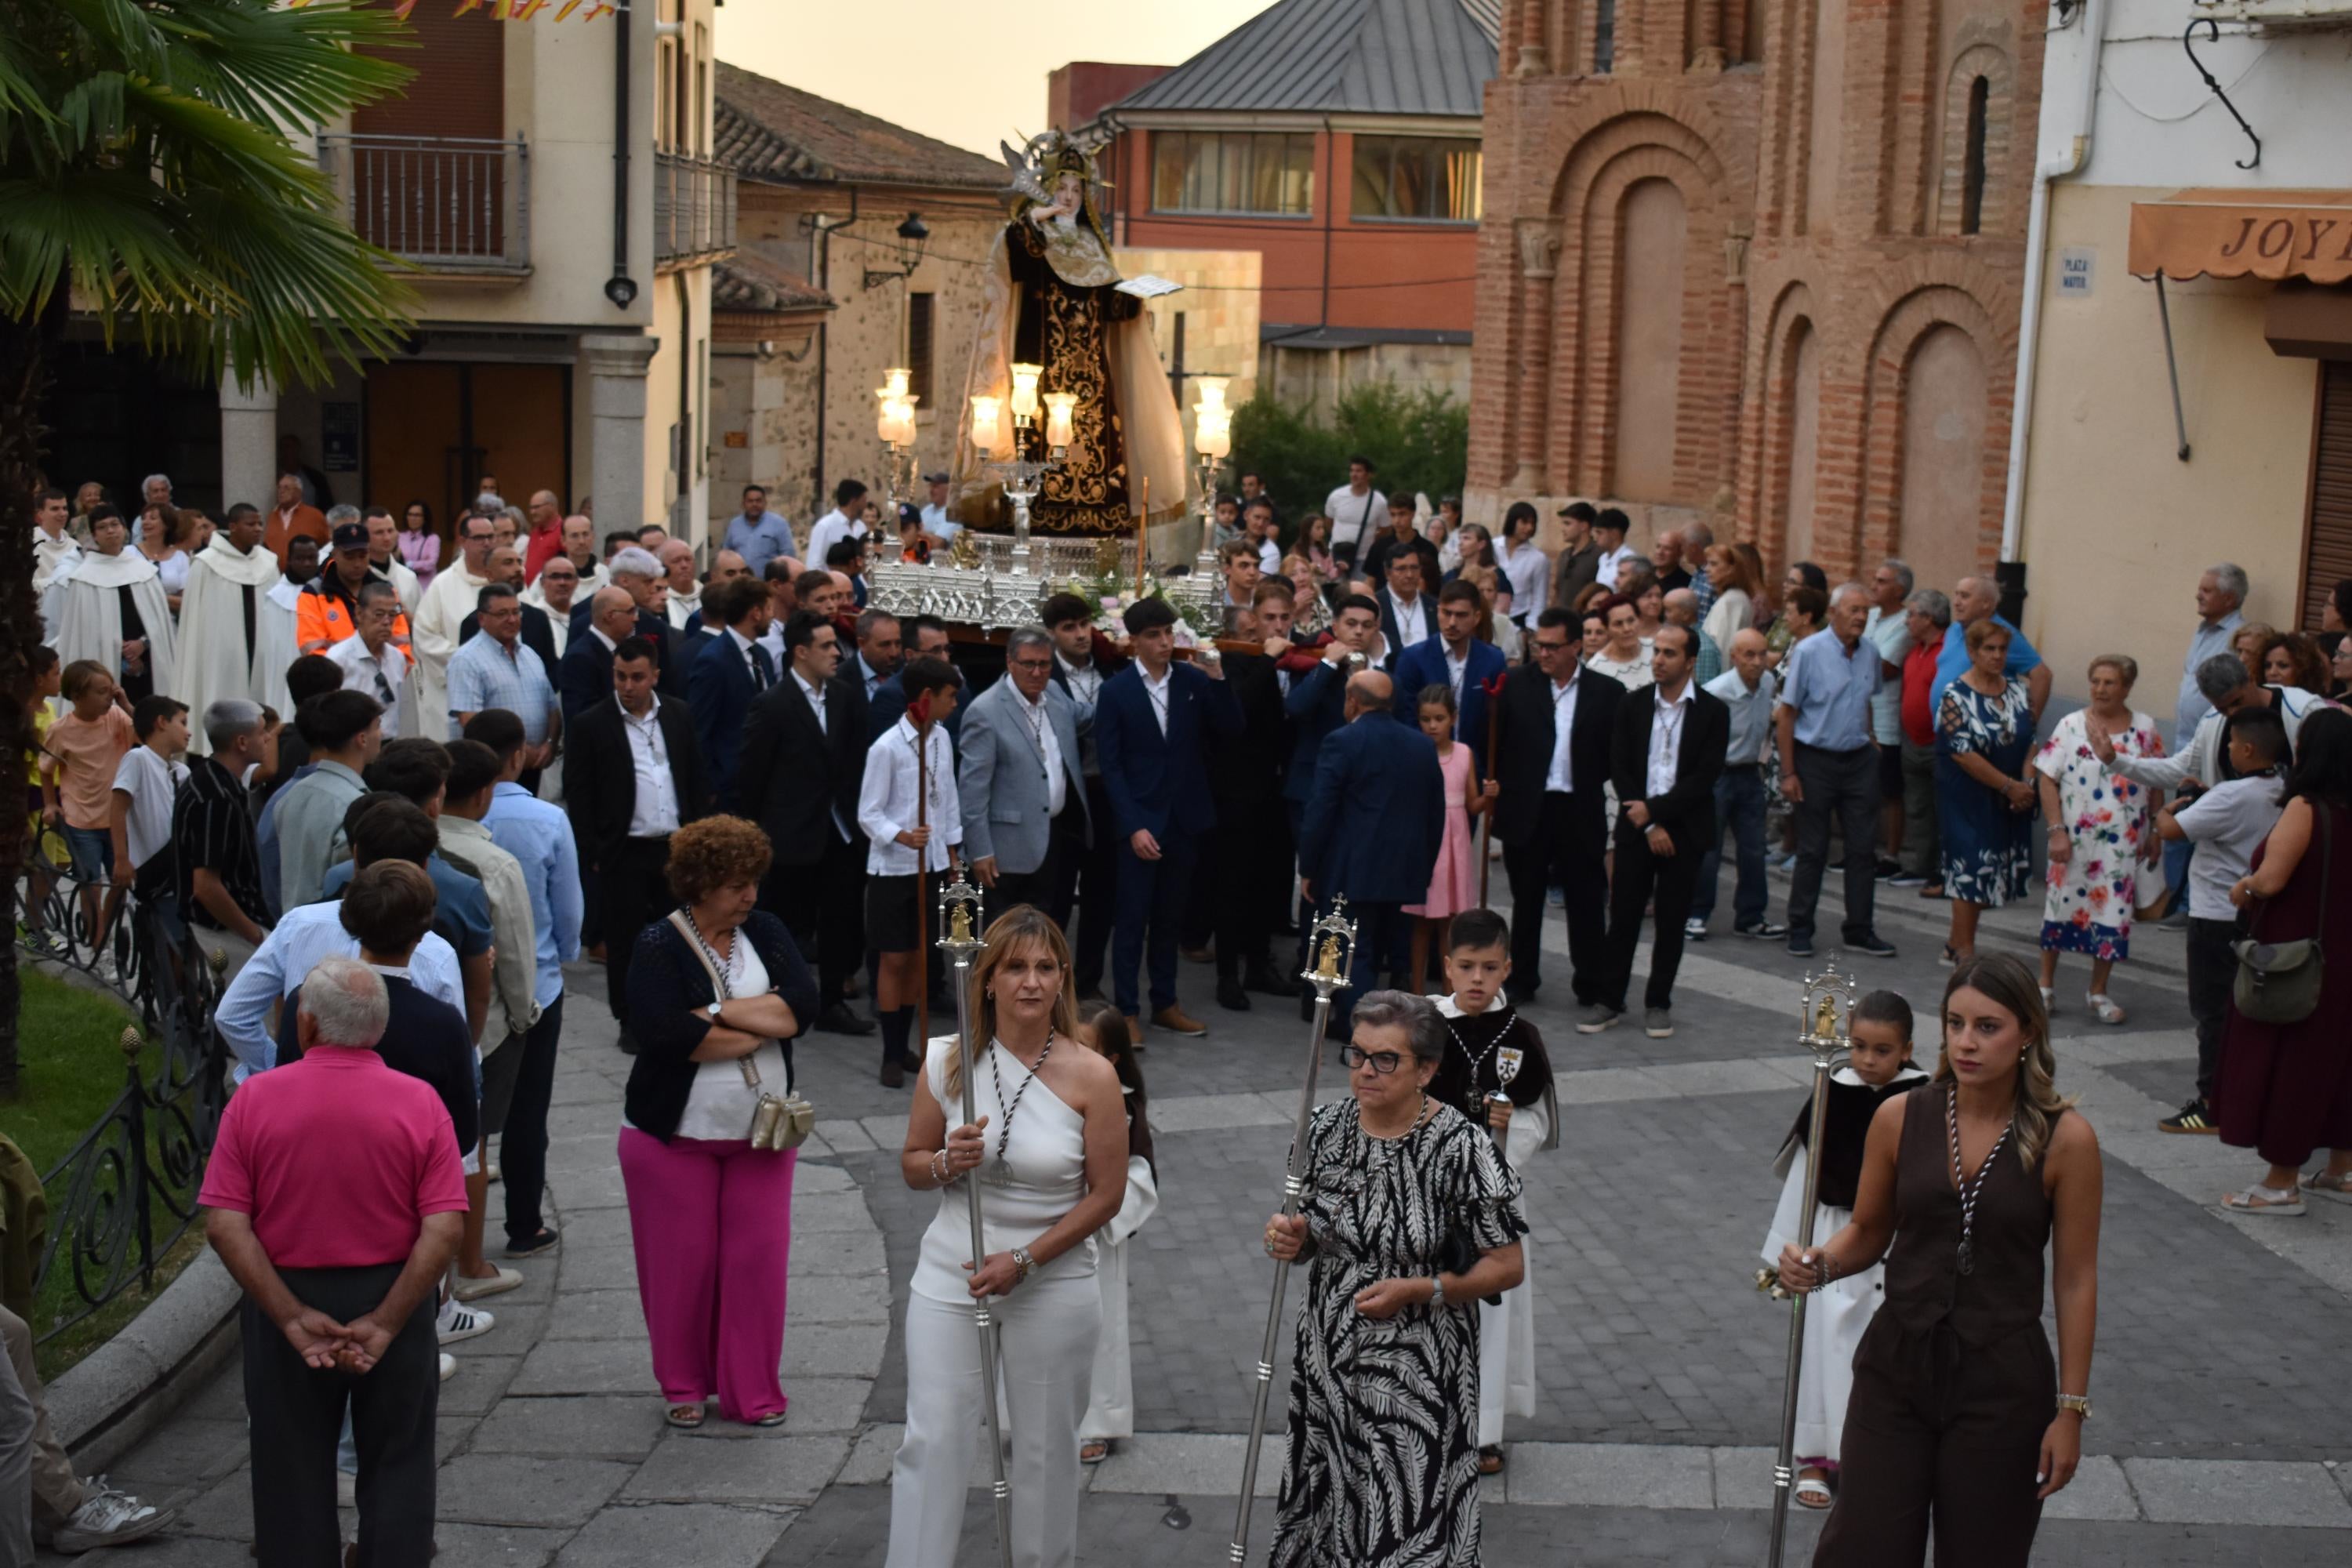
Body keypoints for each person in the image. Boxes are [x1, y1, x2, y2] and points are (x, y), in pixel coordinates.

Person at [1781, 955, 2101, 1564]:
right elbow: (1868, 1231)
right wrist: (1820, 1264)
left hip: (2003, 1382)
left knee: (1983, 1553)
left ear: (2028, 1032)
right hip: (1896, 1367)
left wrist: (2071, 1411)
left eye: (1988, 1026)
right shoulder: (1900, 1116)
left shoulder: (2067, 1140)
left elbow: (2076, 1279)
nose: (1966, 1042)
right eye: (1955, 1024)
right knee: (1864, 1547)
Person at [201, 957, 467, 1568]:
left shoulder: (255, 1100)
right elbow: (445, 1228)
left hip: (284, 1291)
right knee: (400, 1457)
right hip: (394, 1289)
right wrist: (389, 1319)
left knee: (288, 1464)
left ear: (306, 1024)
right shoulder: (421, 1103)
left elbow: (224, 1225)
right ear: (378, 1028)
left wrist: (291, 1316)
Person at [887, 907, 1127, 1568]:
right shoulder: (947, 1058)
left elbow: (1107, 1195)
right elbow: (911, 1163)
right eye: (1015, 967)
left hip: (1052, 1279)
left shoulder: (1093, 1075)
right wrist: (946, 1162)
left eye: (1046, 967)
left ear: (1063, 979)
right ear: (987, 979)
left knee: (1047, 1451)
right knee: (933, 1438)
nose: (1031, 981)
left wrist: (1025, 1261)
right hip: (953, 1272)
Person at [1262, 990, 1526, 1567]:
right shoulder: (1323, 1129)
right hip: (1330, 1357)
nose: (1365, 1070)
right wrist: (1292, 1238)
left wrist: (1424, 1290)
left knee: (1406, 1518)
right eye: (1357, 1054)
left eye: (1386, 1059)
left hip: (1418, 1372)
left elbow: (1508, 1265)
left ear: (1426, 1070)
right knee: (1330, 1505)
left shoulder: (1461, 1147)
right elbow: (1309, 1234)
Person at [615, 813, 815, 1426]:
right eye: (735, 885)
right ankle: (683, 1386)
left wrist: (717, 1012)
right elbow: (662, 1033)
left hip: (763, 1133)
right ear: (699, 885)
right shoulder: (657, 943)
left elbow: (801, 1008)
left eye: (753, 881)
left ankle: (753, 1393)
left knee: (758, 1266)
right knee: (682, 1268)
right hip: (673, 1136)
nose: (749, 895)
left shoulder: (767, 929)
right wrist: (756, 1022)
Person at [1759, 989, 1929, 1509]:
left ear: (1907, 1050)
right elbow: (1806, 1176)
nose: (1867, 1060)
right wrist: (1787, 1253)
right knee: (1825, 1346)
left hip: (1899, 1240)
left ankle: (1874, 1459)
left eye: (1882, 1050)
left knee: (1888, 1354)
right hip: (1836, 1236)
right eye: (1858, 1046)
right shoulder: (1832, 1091)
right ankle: (1815, 1456)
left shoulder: (1925, 1099)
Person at [1422, 912, 1554, 1475]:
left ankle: (1483, 1431)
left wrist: (1506, 1128)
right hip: (1427, 1188)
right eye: (1467, 966)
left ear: (1507, 969)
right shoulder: (1423, 1026)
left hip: (1494, 1198)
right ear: (1448, 967)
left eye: (1490, 967)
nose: (1478, 978)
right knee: (1427, 1299)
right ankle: (1425, 1417)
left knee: (1491, 1311)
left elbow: (1538, 1120)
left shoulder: (1520, 1037)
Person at [2211, 706, 2352, 1214]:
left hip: (2297, 961)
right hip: (2343, 957)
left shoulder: (2307, 809)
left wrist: (2243, 887)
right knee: (2340, 1066)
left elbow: (2271, 880)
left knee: (2294, 1066)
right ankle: (2341, 1170)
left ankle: (2281, 1184)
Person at [1097, 597, 1243, 1038]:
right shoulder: (1116, 691)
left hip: (1184, 820)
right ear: (1134, 641)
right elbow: (1111, 766)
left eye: (1168, 633)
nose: (1164, 642)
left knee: (1170, 917)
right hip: (1141, 821)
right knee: (1131, 920)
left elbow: (1232, 729)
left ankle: (1165, 1003)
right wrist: (1132, 825)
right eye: (1154, 635)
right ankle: (1126, 1011)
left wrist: (1218, 679)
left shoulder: (1191, 682)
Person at [468, 712, 583, 1257]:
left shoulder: (442, 825)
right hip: (538, 983)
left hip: (465, 986)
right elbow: (568, 907)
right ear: (517, 756)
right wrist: (564, 954)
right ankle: (524, 1222)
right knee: (527, 1110)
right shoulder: (547, 819)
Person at [568, 637, 712, 1054]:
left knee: (682, 934)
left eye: (637, 677)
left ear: (655, 676)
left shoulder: (678, 714)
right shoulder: (592, 724)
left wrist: (698, 836)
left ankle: (678, 1010)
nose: (628, 686)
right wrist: (595, 851)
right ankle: (629, 1019)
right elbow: (581, 793)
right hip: (625, 849)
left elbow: (694, 776)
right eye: (620, 677)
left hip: (675, 847)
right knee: (626, 941)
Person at [2153, 707, 2287, 1137]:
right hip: (2253, 915)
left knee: (2212, 1012)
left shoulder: (2231, 796)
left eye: (2230, 743)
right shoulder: (2282, 789)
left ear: (2246, 749)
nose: (2226, 749)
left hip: (2214, 914)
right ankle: (2247, 1096)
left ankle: (2210, 1103)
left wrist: (2166, 811)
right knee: (2244, 1009)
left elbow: (2172, 830)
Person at [1586, 623, 1725, 1037]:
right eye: (1657, 652)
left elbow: (1704, 777)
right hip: (1636, 827)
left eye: (1669, 653)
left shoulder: (1713, 711)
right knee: (1623, 916)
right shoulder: (1633, 704)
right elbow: (1619, 765)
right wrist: (1647, 822)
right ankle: (1610, 999)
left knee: (1672, 919)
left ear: (1690, 661)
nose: (1659, 660)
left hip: (1685, 830)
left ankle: (1658, 1002)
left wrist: (1657, 813)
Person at [739, 612, 871, 1036]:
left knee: (839, 920)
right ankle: (775, 1002)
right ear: (801, 652)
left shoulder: (845, 697)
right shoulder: (773, 704)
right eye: (826, 646)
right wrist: (756, 840)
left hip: (840, 832)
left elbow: (857, 761)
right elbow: (753, 777)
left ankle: (831, 1003)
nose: (837, 653)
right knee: (784, 922)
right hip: (790, 836)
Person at [1493, 607, 1623, 1004]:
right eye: (1539, 645)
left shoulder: (1607, 692)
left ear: (1576, 646)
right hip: (1527, 808)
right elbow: (1497, 742)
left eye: (1552, 646)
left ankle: (1591, 982)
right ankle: (1522, 978)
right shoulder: (1516, 684)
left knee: (1586, 899)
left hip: (1579, 807)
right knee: (1526, 899)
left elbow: (1615, 752)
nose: (1544, 653)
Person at [1299, 673, 1446, 1022]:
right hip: (1403, 868)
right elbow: (1435, 813)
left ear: (1352, 701)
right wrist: (1423, 868)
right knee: (1379, 948)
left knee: (1353, 953)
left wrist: (1309, 866)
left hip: (1352, 869)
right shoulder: (1421, 745)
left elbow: (1321, 809)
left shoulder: (1342, 741)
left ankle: (1360, 1031)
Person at [2033, 656, 2163, 1022]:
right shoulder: (2071, 725)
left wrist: (2156, 829)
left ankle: (2098, 991)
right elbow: (2047, 778)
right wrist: (2056, 830)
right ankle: (2045, 986)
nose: (2100, 689)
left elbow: (2156, 780)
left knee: (2114, 912)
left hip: (2122, 843)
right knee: (2059, 906)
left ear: (2127, 687)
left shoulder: (2145, 729)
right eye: (2096, 681)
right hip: (2073, 840)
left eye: (2110, 683)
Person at [858, 656, 964, 1088]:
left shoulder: (942, 739)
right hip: (894, 868)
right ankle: (891, 1049)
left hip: (932, 863)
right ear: (926, 697)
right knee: (895, 958)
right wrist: (901, 836)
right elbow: (869, 812)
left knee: (921, 956)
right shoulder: (886, 747)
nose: (955, 704)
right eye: (950, 696)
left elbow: (949, 799)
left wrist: (953, 857)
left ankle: (906, 1048)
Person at [1777, 583, 1898, 960]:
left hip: (1858, 759)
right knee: (1813, 849)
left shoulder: (1870, 652)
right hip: (1815, 759)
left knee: (1863, 848)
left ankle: (1859, 930)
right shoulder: (1809, 651)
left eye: (1865, 611)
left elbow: (1867, 700)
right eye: (1854, 610)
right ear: (1833, 613)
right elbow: (1787, 713)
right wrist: (1788, 772)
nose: (1861, 617)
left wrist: (1872, 739)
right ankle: (1800, 927)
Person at [1203, 581, 1303, 1010]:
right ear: (1254, 619)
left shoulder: (1298, 660)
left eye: (1284, 618)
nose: (1277, 626)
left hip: (1277, 788)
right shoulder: (1238, 659)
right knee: (1233, 883)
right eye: (1269, 618)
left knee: (1269, 882)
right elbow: (1236, 709)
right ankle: (1228, 975)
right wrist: (1267, 659)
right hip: (1237, 790)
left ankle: (1260, 965)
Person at [1073, 1004, 1156, 1466]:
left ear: (1112, 1059)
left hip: (1096, 1238)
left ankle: (1095, 1420)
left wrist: (1102, 1205)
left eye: (1086, 1050)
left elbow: (1141, 1173)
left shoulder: (1122, 1105)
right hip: (1043, 1225)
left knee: (1098, 1327)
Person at [959, 628, 1087, 924]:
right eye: (1028, 664)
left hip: (1049, 840)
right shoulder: (985, 712)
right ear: (1010, 661)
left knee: (1038, 933)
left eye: (1044, 664)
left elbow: (1086, 718)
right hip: (1002, 853)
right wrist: (980, 852)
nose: (1037, 672)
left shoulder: (1053, 693)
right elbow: (972, 792)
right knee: (1000, 937)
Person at [1936, 619, 2038, 966]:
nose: (1997, 656)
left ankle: (1954, 943)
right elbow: (1962, 752)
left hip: (2010, 797)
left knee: (1993, 870)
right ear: (1972, 652)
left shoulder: (2018, 690)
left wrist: (2026, 785)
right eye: (1989, 649)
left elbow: (2030, 741)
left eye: (2002, 649)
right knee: (1972, 867)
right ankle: (1964, 952)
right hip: (1968, 797)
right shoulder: (1955, 695)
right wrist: (2009, 786)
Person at [1045, 592, 1126, 1000]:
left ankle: (1088, 981)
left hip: (1106, 793)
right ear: (1051, 634)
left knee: (1102, 894)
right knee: (1057, 895)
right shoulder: (1047, 676)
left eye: (1084, 625)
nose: (1080, 635)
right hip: (1066, 796)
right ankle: (1049, 980)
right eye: (1069, 628)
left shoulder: (1111, 668)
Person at [1690, 627, 1786, 942]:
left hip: (1749, 773)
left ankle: (1751, 916)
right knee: (1710, 847)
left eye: (1762, 654)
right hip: (1718, 774)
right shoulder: (1717, 691)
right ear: (1734, 657)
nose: (1757, 662)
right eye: (1749, 655)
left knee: (1753, 848)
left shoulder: (1768, 682)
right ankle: (1697, 913)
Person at [40, 662, 135, 975]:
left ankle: (103, 932)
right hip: (82, 821)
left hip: (116, 821)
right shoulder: (61, 730)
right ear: (78, 696)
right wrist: (50, 804)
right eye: (101, 692)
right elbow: (46, 769)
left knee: (121, 881)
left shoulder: (117, 718)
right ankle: (98, 947)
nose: (109, 697)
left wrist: (125, 703)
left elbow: (148, 734)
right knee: (91, 885)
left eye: (111, 690)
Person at [174, 699, 274, 977]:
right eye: (262, 731)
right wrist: (255, 935)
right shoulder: (216, 797)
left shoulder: (212, 780)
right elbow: (206, 886)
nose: (268, 737)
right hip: (226, 933)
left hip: (226, 928)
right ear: (241, 742)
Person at [1401, 684, 1488, 993]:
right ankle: (1417, 991)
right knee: (1421, 922)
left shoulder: (1464, 753)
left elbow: (1472, 804)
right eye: (1426, 719)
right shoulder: (1414, 752)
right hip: (1426, 841)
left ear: (1453, 717)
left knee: (1449, 924)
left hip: (1455, 844)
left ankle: (1450, 994)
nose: (1433, 726)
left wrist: (1490, 797)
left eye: (1439, 718)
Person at [176, 503, 283, 750]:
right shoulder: (206, 563)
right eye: (250, 524)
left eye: (260, 524)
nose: (258, 529)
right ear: (233, 527)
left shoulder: (268, 562)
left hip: (261, 651)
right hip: (219, 655)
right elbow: (195, 621)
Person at [45, 506, 177, 706]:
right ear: (94, 535)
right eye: (102, 527)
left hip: (148, 664)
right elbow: (84, 631)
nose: (110, 531)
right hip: (104, 660)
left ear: (124, 529)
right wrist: (122, 651)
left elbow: (160, 621)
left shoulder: (145, 571)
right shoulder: (83, 579)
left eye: (115, 524)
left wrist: (143, 644)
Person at [272, 690, 383, 914]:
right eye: (378, 726)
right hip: (333, 923)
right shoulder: (354, 804)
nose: (382, 734)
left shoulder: (291, 794)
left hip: (294, 921)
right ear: (362, 738)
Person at [1392, 579, 1505, 780]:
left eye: (1461, 615)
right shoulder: (1413, 658)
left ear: (1476, 617)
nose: (1452, 622)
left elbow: (1496, 721)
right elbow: (1405, 718)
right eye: (1446, 613)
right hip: (1425, 768)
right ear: (1438, 611)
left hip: (1475, 772)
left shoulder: (1493, 660)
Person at [686, 576, 777, 813]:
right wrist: (711, 787)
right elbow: (699, 729)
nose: (772, 616)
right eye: (769, 609)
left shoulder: (762, 655)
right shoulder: (713, 660)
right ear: (755, 613)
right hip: (728, 790)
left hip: (762, 785)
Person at [107, 695, 190, 942]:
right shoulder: (138, 758)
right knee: (162, 945)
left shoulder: (181, 771)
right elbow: (118, 807)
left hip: (177, 875)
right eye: (182, 723)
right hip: (152, 875)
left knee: (181, 944)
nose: (188, 732)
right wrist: (121, 859)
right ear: (162, 722)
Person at [411, 509, 496, 745]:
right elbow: (424, 636)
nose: (487, 543)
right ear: (463, 541)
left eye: (491, 536)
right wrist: (469, 664)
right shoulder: (443, 585)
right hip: (454, 691)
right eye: (479, 538)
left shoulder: (506, 580)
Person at [1931, 575, 2050, 722]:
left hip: (1983, 728)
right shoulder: (1954, 629)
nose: (1956, 602)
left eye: (1965, 596)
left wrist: (2029, 722)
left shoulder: (2001, 634)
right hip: (1947, 726)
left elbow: (2042, 675)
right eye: (1956, 595)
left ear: (1986, 603)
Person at [1893, 589, 1950, 893]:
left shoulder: (1948, 651)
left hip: (1938, 743)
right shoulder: (1914, 650)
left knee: (1942, 808)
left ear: (1929, 618)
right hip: (1912, 742)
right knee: (1916, 807)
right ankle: (1920, 866)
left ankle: (1942, 869)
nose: (1907, 621)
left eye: (1912, 615)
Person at [1863, 561, 1916, 877]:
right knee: (1863, 790)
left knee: (1889, 791)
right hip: (1858, 719)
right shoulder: (1868, 616)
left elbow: (1885, 668)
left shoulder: (1905, 624)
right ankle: (1863, 850)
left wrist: (1853, 659)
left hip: (1886, 722)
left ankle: (1891, 856)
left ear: (1899, 589)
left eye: (1882, 581)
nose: (1874, 585)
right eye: (1875, 579)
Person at [327, 580, 412, 740]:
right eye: (379, 615)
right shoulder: (338, 658)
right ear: (359, 614)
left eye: (392, 615)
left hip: (388, 743)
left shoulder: (397, 658)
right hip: (351, 744)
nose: (386, 622)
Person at [1363, 495, 1440, 590]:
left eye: (1402, 514)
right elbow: (1370, 580)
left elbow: (1433, 583)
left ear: (1413, 514)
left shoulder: (1428, 548)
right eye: (1393, 515)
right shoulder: (1379, 546)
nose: (1397, 520)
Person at [1322, 455, 1386, 569]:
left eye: (1359, 471)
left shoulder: (1379, 502)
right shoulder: (1336, 496)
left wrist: (1369, 542)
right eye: (1352, 471)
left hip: (1364, 559)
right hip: (1337, 556)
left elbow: (1386, 529)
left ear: (1369, 475)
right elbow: (1328, 522)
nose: (1354, 475)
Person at [1584, 591, 1652, 691]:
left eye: (1631, 620)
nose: (1627, 629)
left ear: (1639, 620)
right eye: (1618, 624)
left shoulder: (1656, 648)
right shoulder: (1596, 669)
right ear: (1606, 629)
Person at [1374, 550, 1434, 662]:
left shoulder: (1434, 606)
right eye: (1401, 569)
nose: (1409, 575)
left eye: (1414, 568)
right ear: (1387, 573)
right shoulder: (1375, 605)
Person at [1700, 541, 1759, 651]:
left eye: (1714, 564)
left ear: (1730, 569)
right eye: (1707, 564)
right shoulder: (1732, 598)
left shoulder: (1731, 601)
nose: (1706, 569)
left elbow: (1723, 646)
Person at [261, 470, 328, 565]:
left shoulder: (314, 516)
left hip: (303, 571)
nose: (281, 491)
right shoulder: (272, 516)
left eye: (287, 488)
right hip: (274, 571)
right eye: (279, 487)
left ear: (298, 492)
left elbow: (326, 546)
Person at [805, 478, 869, 566]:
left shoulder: (861, 527)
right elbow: (814, 563)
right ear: (853, 502)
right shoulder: (825, 527)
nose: (865, 506)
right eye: (864, 501)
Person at [397, 500, 440, 591]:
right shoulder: (399, 537)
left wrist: (410, 565)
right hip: (404, 586)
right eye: (410, 514)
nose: (413, 518)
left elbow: (431, 564)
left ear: (425, 519)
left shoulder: (432, 539)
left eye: (417, 515)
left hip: (425, 588)